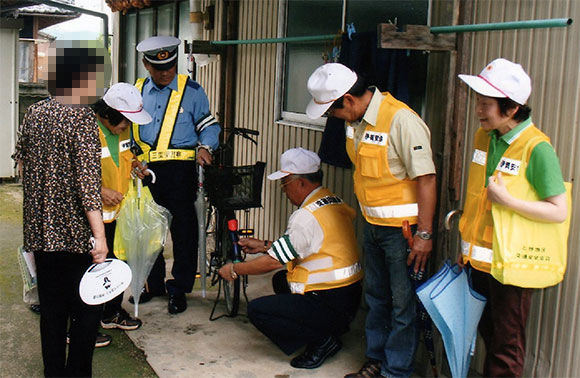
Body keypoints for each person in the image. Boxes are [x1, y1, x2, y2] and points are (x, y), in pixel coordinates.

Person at [306, 63, 437, 378]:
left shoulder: (401, 120)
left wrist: (425, 235)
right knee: (377, 299)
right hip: (372, 227)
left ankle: (396, 371)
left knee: (403, 306)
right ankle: (376, 362)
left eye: (331, 112)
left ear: (348, 100)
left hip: (404, 235)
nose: (332, 118)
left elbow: (427, 179)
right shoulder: (357, 123)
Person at [457, 58, 568, 377]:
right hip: (478, 263)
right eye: (478, 101)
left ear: (512, 107)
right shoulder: (484, 137)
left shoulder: (537, 149)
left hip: (512, 268)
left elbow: (558, 210)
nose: (478, 109)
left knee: (506, 348)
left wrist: (507, 200)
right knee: (489, 337)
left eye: (485, 104)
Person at [12, 41, 110, 377]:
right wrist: (100, 236)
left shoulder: (34, 113)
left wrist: (44, 192)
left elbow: (21, 163)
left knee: (52, 311)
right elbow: (87, 184)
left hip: (40, 232)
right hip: (74, 234)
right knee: (85, 309)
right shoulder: (82, 117)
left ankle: (53, 372)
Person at [218, 147, 363, 369]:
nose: (284, 191)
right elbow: (303, 245)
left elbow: (273, 262)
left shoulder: (305, 217)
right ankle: (326, 329)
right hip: (348, 298)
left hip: (329, 302)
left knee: (258, 310)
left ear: (301, 183)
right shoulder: (330, 200)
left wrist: (234, 270)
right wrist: (264, 246)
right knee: (281, 280)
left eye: (285, 184)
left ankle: (322, 341)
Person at [130, 36, 221, 314]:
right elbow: (126, 128)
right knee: (147, 231)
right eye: (158, 68)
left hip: (181, 172)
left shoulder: (192, 90)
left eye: (170, 65)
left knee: (183, 232)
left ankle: (178, 288)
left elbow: (208, 124)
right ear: (146, 64)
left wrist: (206, 146)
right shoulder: (136, 91)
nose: (165, 71)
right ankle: (152, 284)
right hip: (145, 172)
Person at [91, 82, 153, 331]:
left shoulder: (122, 131)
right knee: (90, 270)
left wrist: (136, 165)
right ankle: (85, 325)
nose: (126, 127)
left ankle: (112, 311)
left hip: (118, 214)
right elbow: (70, 175)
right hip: (91, 217)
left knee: (117, 263)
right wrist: (99, 190)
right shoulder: (85, 132)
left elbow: (124, 156)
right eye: (123, 122)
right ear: (106, 114)